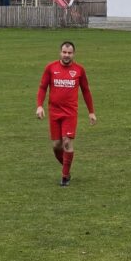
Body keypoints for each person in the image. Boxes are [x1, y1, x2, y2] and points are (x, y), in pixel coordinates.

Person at [36, 41, 96, 187]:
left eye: (69, 53)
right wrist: (39, 106)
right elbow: (43, 87)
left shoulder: (79, 70)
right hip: (54, 112)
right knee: (57, 145)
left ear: (73, 54)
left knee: (67, 142)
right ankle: (67, 167)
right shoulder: (51, 68)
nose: (66, 55)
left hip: (70, 113)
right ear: (60, 53)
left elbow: (86, 91)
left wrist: (91, 112)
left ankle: (65, 176)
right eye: (64, 52)